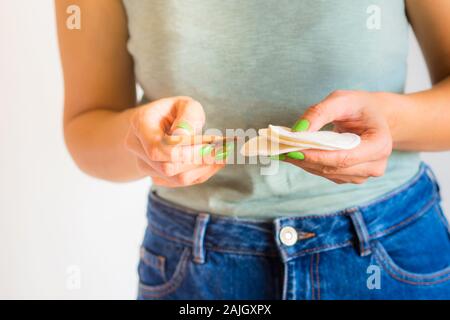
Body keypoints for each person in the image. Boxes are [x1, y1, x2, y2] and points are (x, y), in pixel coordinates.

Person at [55, 0, 450, 299]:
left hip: (389, 250)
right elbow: (87, 125)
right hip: (193, 263)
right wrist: (142, 145)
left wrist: (389, 122)